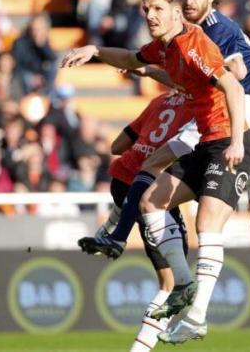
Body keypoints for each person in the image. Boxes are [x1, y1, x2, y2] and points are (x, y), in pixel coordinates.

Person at [78, 0, 250, 345]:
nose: (188, 1)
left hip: (240, 115)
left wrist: (236, 127)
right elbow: (164, 69)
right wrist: (108, 56)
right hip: (245, 118)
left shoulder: (212, 32)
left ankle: (122, 236)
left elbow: (234, 76)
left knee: (157, 164)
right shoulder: (176, 40)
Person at [62, 0, 250, 344]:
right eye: (146, 9)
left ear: (177, 13)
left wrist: (239, 142)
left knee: (206, 223)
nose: (150, 15)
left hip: (227, 141)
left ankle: (196, 314)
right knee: (151, 198)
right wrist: (95, 50)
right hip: (204, 141)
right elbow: (132, 59)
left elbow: (233, 87)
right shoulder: (165, 48)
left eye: (157, 10)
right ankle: (182, 283)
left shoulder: (194, 46)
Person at [82, 91, 195, 352]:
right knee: (171, 285)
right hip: (152, 190)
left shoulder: (158, 101)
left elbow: (117, 146)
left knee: (131, 202)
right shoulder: (199, 106)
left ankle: (113, 224)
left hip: (122, 179)